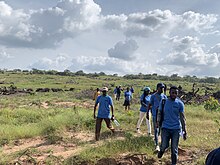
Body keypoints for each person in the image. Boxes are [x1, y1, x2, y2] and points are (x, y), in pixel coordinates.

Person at [157, 86, 187, 165]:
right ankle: (161, 151)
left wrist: (184, 130)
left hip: (176, 129)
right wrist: (158, 122)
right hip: (165, 128)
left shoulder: (180, 104)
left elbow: (182, 118)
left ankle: (173, 163)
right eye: (172, 93)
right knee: (164, 145)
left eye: (176, 93)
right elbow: (159, 113)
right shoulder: (164, 102)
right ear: (169, 93)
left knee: (174, 148)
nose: (174, 94)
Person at [147, 82, 167, 151]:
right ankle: (157, 145)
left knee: (161, 129)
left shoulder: (164, 96)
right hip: (155, 115)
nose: (162, 89)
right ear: (157, 88)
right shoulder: (153, 96)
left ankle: (158, 139)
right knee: (156, 129)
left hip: (162, 115)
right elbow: (149, 105)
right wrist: (147, 113)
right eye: (161, 88)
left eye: (163, 88)